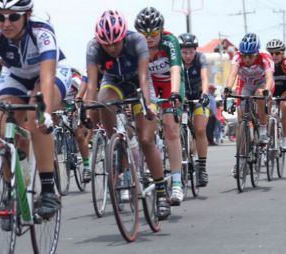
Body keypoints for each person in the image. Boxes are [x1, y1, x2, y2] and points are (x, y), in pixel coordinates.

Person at [0, 0, 64, 222]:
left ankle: (48, 189)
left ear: (27, 15)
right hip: (16, 75)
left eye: (13, 17)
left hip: (46, 75)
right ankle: (14, 189)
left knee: (37, 116)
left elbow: (47, 77)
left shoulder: (42, 31)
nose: (6, 23)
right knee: (5, 125)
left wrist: (47, 113)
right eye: (0, 17)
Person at [85, 10, 170, 219]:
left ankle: (161, 192)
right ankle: (117, 147)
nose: (112, 48)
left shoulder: (137, 41)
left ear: (123, 36)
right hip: (113, 82)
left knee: (145, 139)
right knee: (103, 102)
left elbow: (143, 78)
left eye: (116, 43)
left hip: (138, 84)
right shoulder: (93, 47)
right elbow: (92, 85)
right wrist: (87, 112)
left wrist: (149, 105)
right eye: (107, 45)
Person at [135, 7, 185, 205]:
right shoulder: (137, 45)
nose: (149, 38)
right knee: (144, 122)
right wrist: (149, 104)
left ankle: (176, 184)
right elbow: (142, 76)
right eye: (144, 34)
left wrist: (173, 94)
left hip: (169, 83)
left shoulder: (169, 41)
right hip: (150, 84)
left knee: (171, 127)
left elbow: (175, 70)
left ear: (161, 31)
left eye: (154, 34)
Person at [223, 33, 274, 177]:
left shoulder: (265, 58)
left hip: (262, 84)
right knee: (241, 120)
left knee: (259, 95)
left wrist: (266, 90)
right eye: (244, 56)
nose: (247, 59)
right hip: (246, 85)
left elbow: (269, 78)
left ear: (257, 52)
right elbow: (233, 75)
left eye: (250, 56)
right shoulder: (237, 57)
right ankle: (240, 159)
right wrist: (228, 88)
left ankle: (263, 130)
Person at [178, 32, 210, 187]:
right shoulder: (176, 61)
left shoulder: (200, 58)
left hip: (198, 98)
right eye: (184, 52)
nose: (188, 55)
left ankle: (202, 167)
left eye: (191, 52)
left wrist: (204, 94)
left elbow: (205, 78)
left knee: (200, 130)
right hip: (182, 98)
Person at [266, 39, 286, 150]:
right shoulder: (266, 64)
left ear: (283, 53)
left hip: (285, 89)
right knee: (265, 107)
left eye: (277, 53)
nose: (274, 55)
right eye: (271, 53)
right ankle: (266, 135)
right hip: (273, 89)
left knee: (285, 106)